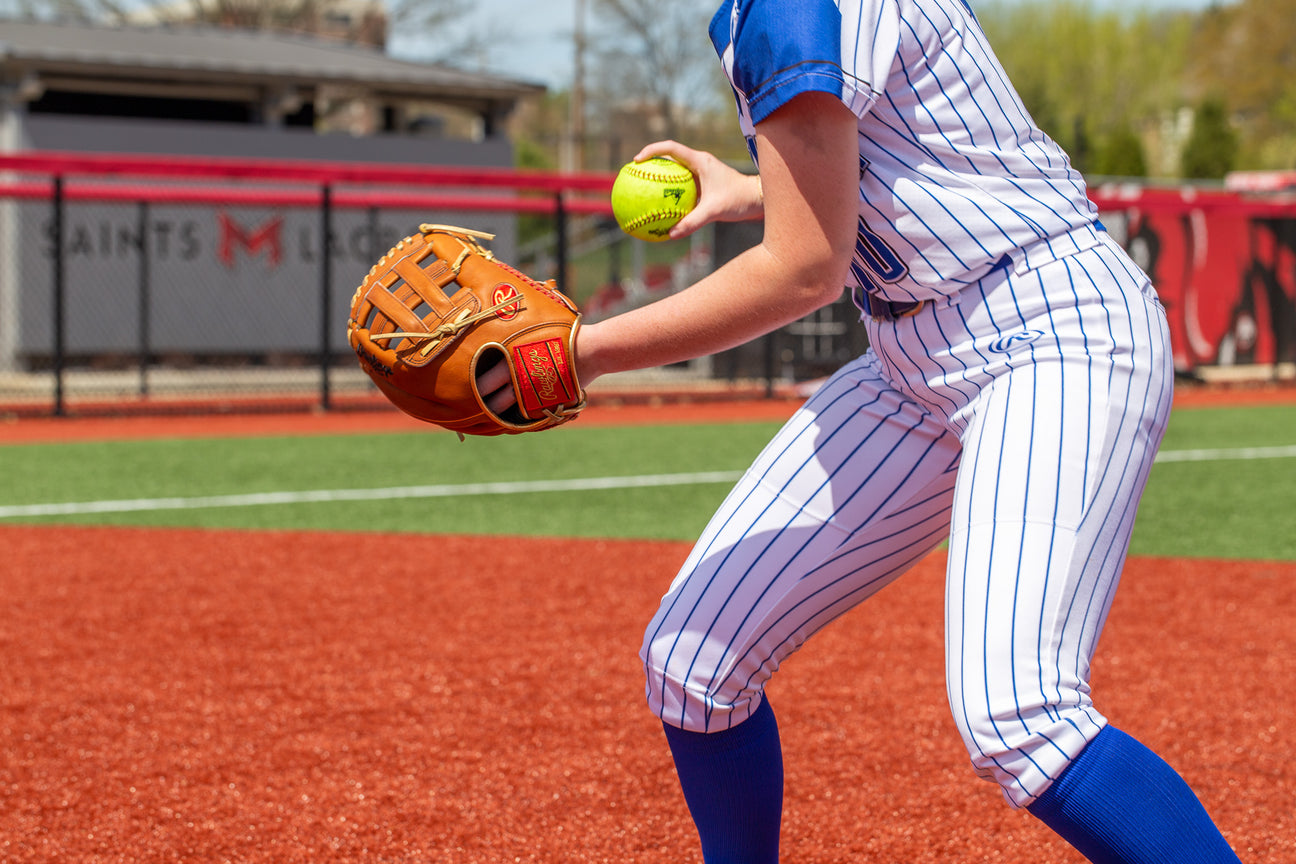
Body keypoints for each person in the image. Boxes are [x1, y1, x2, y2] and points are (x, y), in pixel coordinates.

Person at [484, 1, 1244, 861]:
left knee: (1020, 713)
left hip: (1049, 329)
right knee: (692, 665)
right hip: (910, 357)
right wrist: (747, 190)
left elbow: (804, 269)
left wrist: (578, 355)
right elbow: (902, 155)